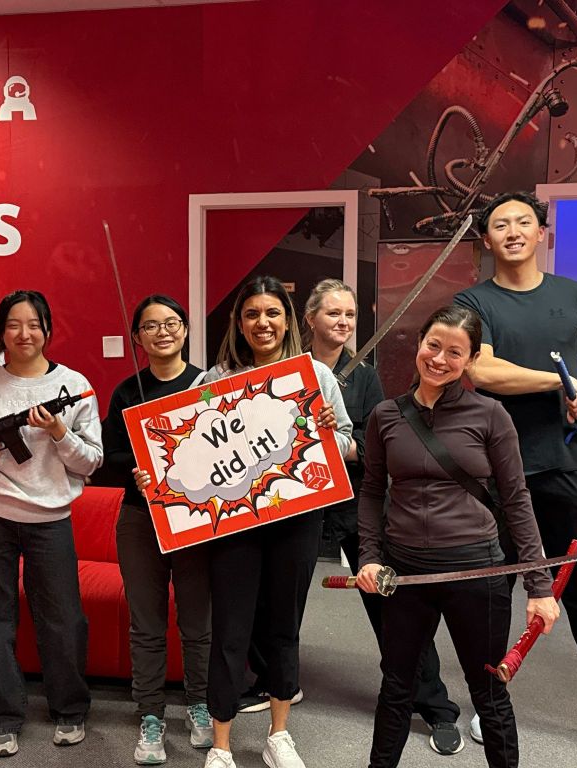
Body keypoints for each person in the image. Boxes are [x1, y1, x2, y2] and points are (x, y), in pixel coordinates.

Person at [454, 191, 577, 767]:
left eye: (523, 222)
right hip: (495, 471)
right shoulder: (473, 301)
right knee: (492, 590)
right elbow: (480, 368)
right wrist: (560, 381)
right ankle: (490, 699)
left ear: (542, 233)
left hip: (566, 467)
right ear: (486, 239)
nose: (512, 231)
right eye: (499, 225)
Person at [135, 275, 352, 768]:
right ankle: (221, 744)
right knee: (230, 630)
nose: (263, 323)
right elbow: (183, 458)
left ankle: (279, 735)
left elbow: (348, 443)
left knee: (284, 627)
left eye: (272, 313)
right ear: (239, 322)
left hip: (297, 522)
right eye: (252, 313)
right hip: (234, 527)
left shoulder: (315, 375)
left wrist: (326, 434)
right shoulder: (213, 380)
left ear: (288, 321)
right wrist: (155, 476)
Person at [356, 304, 559, 768]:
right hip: (404, 574)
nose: (439, 359)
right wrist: (369, 556)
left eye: (454, 352)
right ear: (419, 343)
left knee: (488, 692)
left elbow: (517, 500)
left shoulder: (491, 415)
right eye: (433, 345)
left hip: (476, 572)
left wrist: (539, 586)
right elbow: (370, 491)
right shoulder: (385, 415)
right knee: (396, 688)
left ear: (470, 361)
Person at [301, 279, 462, 756]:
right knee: (279, 602)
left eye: (350, 314)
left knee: (393, 603)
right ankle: (267, 684)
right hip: (298, 506)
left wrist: (335, 442)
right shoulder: (287, 372)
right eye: (333, 313)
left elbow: (372, 449)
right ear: (310, 318)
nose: (343, 322)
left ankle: (434, 706)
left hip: (356, 503)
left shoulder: (365, 377)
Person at [0, 289, 101, 757]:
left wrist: (58, 432)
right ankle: (1, 718)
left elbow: (91, 462)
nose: (24, 334)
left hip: (50, 518)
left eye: (34, 324)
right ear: (1, 332)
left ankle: (70, 709)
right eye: (14, 325)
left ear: (48, 330)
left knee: (63, 617)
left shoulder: (74, 385)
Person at [95, 294, 213, 764]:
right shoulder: (127, 391)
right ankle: (150, 714)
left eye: (171, 323)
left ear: (185, 329)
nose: (162, 332)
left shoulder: (208, 385)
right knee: (146, 623)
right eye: (150, 326)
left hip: (196, 519)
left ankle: (200, 704)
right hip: (140, 518)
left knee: (197, 621)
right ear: (137, 338)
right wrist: (136, 469)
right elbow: (107, 459)